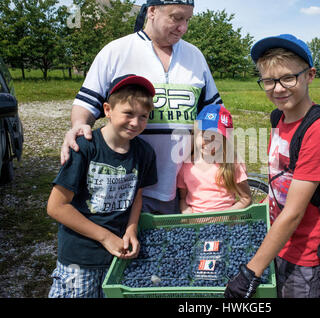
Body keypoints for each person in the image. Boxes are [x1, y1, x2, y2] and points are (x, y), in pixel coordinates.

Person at [60, 0, 222, 215]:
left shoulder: (195, 56)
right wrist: (79, 125)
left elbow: (214, 112)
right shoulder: (116, 51)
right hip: (126, 186)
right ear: (152, 11)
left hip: (182, 188)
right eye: (176, 18)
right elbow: (86, 103)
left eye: (187, 20)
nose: (183, 27)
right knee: (130, 245)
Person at [224, 34, 320, 298]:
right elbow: (279, 181)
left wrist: (250, 273)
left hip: (305, 253)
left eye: (288, 78)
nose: (278, 88)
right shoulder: (279, 119)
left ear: (310, 75)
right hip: (277, 240)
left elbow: (293, 213)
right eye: (268, 81)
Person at [47, 75, 158, 298]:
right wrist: (106, 237)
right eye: (128, 113)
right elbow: (56, 207)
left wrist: (131, 230)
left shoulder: (144, 152)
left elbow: (136, 195)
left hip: (118, 257)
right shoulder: (84, 148)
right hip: (80, 258)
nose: (135, 122)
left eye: (143, 116)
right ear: (107, 109)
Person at [177, 104, 252, 214]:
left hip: (225, 225)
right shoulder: (185, 166)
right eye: (206, 137)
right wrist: (186, 210)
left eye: (216, 139)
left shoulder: (231, 164)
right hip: (195, 225)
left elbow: (246, 199)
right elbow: (182, 199)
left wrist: (223, 217)